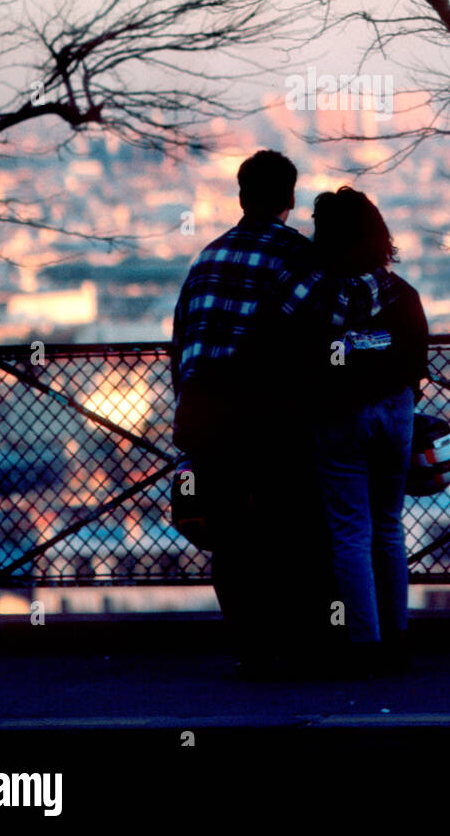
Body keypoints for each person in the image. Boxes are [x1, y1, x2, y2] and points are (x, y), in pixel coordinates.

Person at [170, 149, 313, 675]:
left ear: (240, 196)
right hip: (266, 414)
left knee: (228, 537)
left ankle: (251, 649)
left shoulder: (206, 257)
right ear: (291, 199)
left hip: (205, 413)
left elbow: (181, 339)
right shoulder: (298, 255)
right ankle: (291, 644)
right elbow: (315, 332)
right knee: (287, 529)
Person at [275, 186, 428, 674]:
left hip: (337, 416)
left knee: (350, 532)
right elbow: (416, 361)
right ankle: (399, 635)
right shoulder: (401, 293)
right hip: (396, 412)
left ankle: (365, 643)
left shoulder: (308, 292)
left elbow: (283, 350)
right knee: (389, 526)